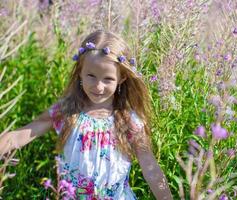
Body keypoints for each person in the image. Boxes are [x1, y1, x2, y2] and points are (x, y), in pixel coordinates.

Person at [0, 30, 173, 199]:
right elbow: (24, 133)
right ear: (80, 72)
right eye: (91, 76)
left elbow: (150, 167)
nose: (98, 86)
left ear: (121, 79)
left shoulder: (128, 121)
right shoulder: (67, 111)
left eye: (108, 79)